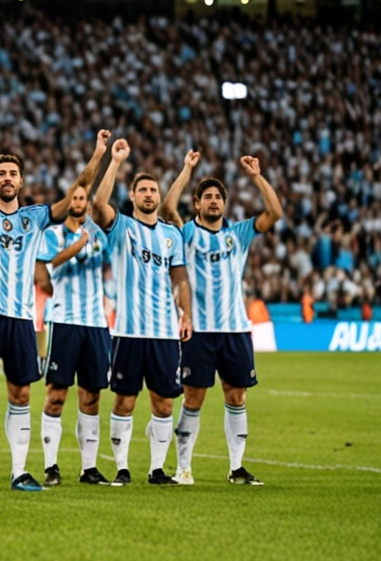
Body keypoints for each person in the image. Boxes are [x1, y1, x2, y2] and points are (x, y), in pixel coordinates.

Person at [0, 117, 106, 491]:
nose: (7, 178)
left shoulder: (34, 217)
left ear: (21, 182)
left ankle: (19, 471)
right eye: (1, 173)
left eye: (13, 173)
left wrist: (98, 154)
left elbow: (77, 193)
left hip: (22, 319)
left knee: (21, 394)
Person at [161, 151, 282, 485]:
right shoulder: (186, 234)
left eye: (219, 197)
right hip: (198, 331)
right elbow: (167, 208)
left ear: (225, 204)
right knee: (193, 398)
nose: (214, 202)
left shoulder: (238, 234)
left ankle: (236, 467)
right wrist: (186, 169)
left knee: (236, 396)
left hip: (235, 330)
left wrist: (257, 176)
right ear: (197, 203)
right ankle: (183, 468)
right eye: (208, 197)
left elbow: (275, 212)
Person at [89, 139, 193, 485]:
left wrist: (187, 314)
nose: (149, 194)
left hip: (164, 333)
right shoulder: (121, 228)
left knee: (164, 403)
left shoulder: (171, 236)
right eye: (143, 190)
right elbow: (98, 205)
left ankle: (156, 469)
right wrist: (115, 161)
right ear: (132, 197)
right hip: (128, 332)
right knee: (125, 401)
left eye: (153, 190)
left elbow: (180, 278)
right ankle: (121, 467)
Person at [33, 130, 115, 486]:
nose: (80, 202)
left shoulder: (99, 233)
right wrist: (78, 244)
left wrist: (109, 157)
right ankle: (51, 466)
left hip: (95, 324)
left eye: (84, 197)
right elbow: (50, 266)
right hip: (64, 322)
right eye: (76, 197)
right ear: (70, 202)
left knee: (92, 395)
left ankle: (89, 467)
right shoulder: (53, 234)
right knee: (56, 394)